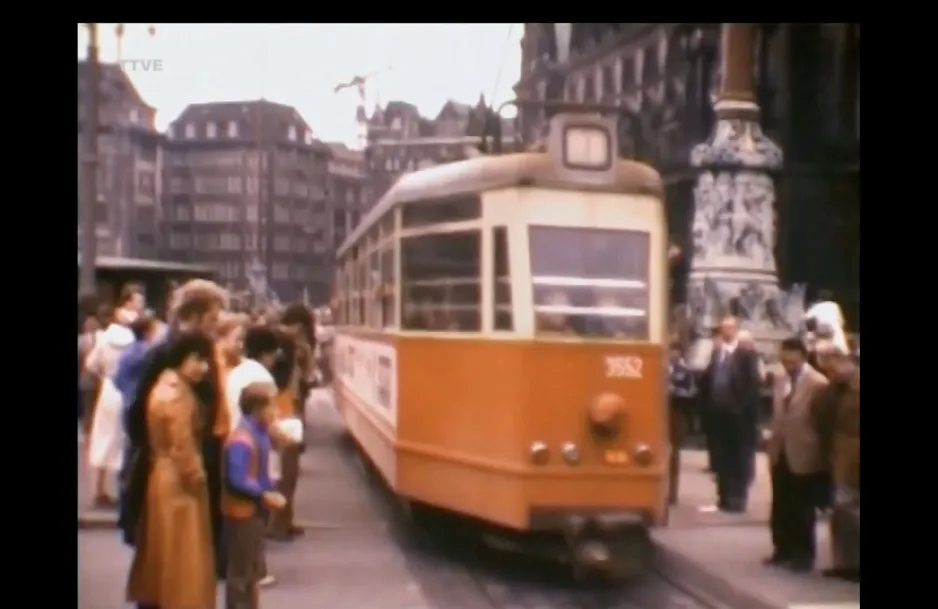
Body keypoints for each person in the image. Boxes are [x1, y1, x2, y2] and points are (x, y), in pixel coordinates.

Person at [120, 279, 229, 581]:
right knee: (171, 555)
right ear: (192, 316)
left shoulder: (199, 350)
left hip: (194, 459)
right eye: (211, 318)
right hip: (179, 465)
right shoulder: (168, 354)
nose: (216, 325)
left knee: (181, 556)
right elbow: (138, 415)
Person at [126, 331, 217, 609]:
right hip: (179, 482)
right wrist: (198, 477)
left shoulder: (166, 384)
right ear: (181, 359)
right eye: (197, 360)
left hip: (162, 476)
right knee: (183, 555)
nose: (203, 367)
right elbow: (183, 446)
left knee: (162, 549)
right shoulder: (176, 395)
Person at [763, 338, 830, 572]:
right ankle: (782, 549)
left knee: (802, 506)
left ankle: (803, 554)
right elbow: (779, 411)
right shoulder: (780, 378)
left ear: (802, 356)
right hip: (780, 449)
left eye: (791, 361)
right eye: (784, 360)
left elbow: (822, 421)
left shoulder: (817, 383)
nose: (787, 365)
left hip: (804, 450)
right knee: (781, 503)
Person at [223, 383, 288, 609]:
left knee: (251, 571)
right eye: (271, 406)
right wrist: (264, 494)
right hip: (243, 512)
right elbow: (238, 479)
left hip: (254, 510)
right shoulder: (242, 439)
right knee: (242, 572)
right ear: (257, 409)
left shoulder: (258, 432)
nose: (275, 412)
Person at [699, 316, 762, 513]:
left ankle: (737, 498)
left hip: (739, 416)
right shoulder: (717, 352)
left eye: (730, 328)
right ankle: (723, 498)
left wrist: (743, 408)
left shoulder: (746, 354)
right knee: (721, 457)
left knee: (739, 457)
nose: (725, 331)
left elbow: (753, 385)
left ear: (736, 329)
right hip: (718, 413)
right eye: (723, 328)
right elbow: (709, 379)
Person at [815, 347, 860, 583]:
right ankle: (844, 562)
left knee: (852, 510)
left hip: (854, 458)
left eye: (832, 368)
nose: (829, 373)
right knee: (840, 511)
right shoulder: (835, 388)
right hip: (839, 456)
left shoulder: (855, 386)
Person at [85, 308, 136, 508]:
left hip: (107, 388)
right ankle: (123, 489)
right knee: (124, 439)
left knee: (103, 437)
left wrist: (102, 374)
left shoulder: (104, 339)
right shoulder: (132, 340)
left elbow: (90, 364)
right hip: (126, 389)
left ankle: (99, 488)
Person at [267, 328, 303, 541]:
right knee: (284, 478)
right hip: (284, 425)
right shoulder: (280, 376)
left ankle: (285, 521)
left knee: (288, 478)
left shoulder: (284, 372)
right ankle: (278, 525)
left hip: (287, 422)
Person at [668, 342, 695, 504]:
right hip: (660, 415)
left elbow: (691, 391)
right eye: (671, 351)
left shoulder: (685, 372)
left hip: (677, 415)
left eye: (676, 352)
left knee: (674, 454)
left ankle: (672, 493)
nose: (673, 355)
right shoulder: (658, 369)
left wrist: (676, 392)